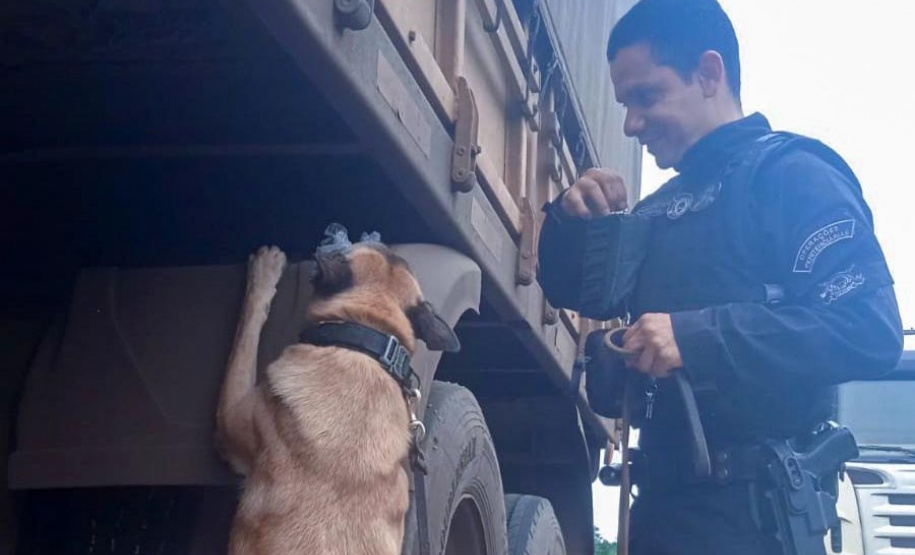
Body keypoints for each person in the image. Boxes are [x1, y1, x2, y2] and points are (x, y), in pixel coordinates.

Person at [537, 0, 904, 553]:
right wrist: (571, 219)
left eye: (647, 97)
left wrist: (696, 339)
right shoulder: (657, 210)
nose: (631, 124)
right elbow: (573, 289)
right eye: (625, 105)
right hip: (660, 513)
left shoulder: (794, 176)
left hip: (755, 521)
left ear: (709, 73)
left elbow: (868, 329)